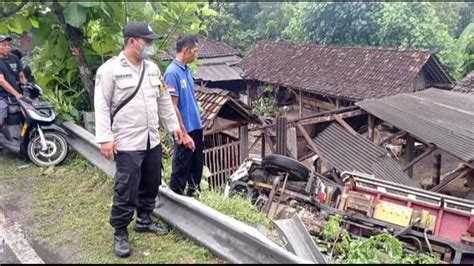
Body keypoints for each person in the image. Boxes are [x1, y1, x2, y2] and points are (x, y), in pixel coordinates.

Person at [94, 22, 181, 258]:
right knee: (126, 187)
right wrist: (104, 139)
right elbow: (101, 107)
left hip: (151, 139)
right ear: (132, 42)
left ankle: (144, 219)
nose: (151, 45)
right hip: (126, 141)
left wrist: (174, 128)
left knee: (151, 181)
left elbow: (163, 101)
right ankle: (120, 231)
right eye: (147, 40)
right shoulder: (109, 70)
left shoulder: (153, 69)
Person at [164, 34, 204, 197]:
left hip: (196, 127)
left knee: (196, 171)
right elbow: (172, 106)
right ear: (186, 50)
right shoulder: (172, 73)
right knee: (181, 172)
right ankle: (176, 209)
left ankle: (192, 204)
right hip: (184, 131)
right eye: (195, 51)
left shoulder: (186, 71)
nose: (196, 54)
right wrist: (183, 133)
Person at [0, 35, 24, 129]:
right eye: (4, 45)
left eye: (9, 45)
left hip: (15, 95)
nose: (7, 47)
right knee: (1, 111)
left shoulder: (14, 58)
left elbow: (21, 76)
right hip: (2, 96)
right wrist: (16, 94)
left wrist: (28, 85)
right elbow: (1, 81)